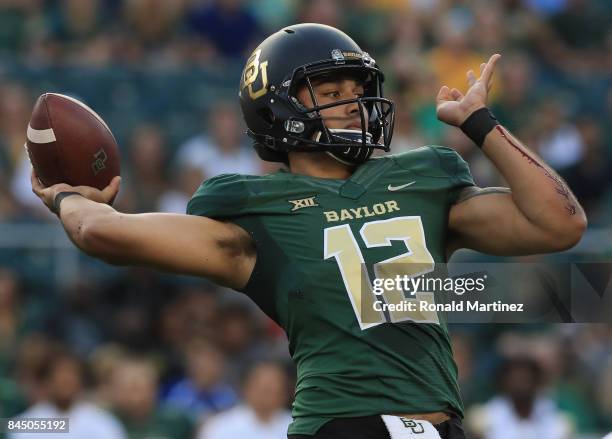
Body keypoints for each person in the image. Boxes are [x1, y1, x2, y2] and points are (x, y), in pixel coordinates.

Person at [31, 23, 586, 439]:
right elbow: (104, 233)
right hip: (341, 424)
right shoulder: (254, 213)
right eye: (329, 90)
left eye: (356, 86)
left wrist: (480, 124)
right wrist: (68, 197)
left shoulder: (422, 178)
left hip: (439, 425)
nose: (352, 101)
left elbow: (559, 224)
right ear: (276, 107)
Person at [197, 362, 292, 439]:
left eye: (273, 389)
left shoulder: (295, 426)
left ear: (284, 393)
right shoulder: (219, 425)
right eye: (263, 388)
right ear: (246, 388)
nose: (267, 395)